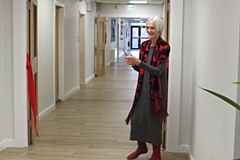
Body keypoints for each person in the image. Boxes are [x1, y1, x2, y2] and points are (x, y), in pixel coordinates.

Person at [124, 17, 170, 160]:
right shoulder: (144, 45)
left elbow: (157, 71)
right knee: (137, 118)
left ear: (159, 29)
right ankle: (141, 147)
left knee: (154, 120)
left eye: (152, 28)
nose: (149, 30)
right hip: (142, 88)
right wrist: (134, 64)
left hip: (156, 90)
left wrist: (140, 62)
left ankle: (156, 153)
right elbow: (142, 70)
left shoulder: (164, 47)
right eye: (148, 27)